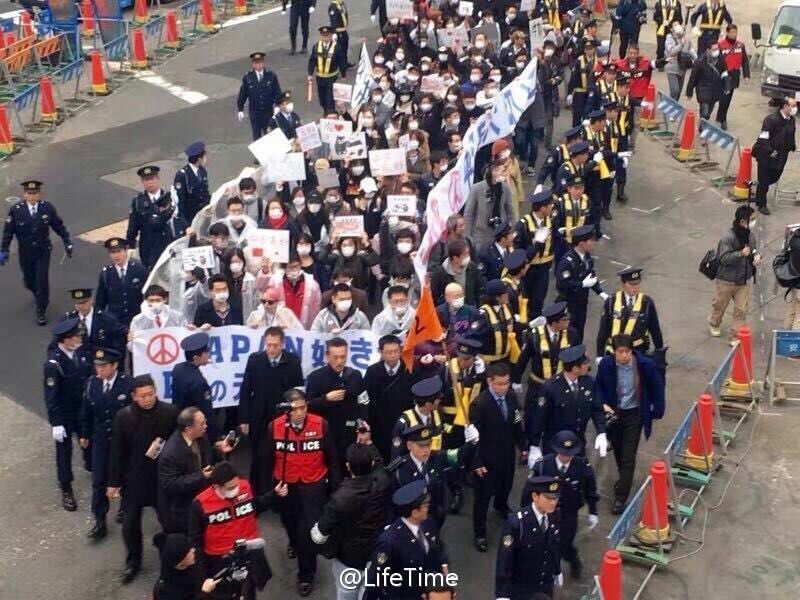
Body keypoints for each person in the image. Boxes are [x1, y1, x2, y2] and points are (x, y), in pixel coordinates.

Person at [263, 389, 341, 596]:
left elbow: (332, 459)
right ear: (285, 410)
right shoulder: (274, 427)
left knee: (306, 532)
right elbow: (267, 460)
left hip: (313, 485)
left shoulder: (321, 424)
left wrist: (336, 488)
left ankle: (306, 574)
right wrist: (269, 490)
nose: (299, 413)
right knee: (289, 522)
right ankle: (294, 542)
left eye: (303, 408)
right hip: (286, 485)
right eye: (295, 409)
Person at [107, 374, 179, 583]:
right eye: (142, 396)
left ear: (156, 392)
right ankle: (133, 562)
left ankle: (175, 559)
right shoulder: (124, 417)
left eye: (151, 394)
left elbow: (178, 443)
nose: (147, 399)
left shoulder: (170, 412)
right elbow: (117, 451)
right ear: (134, 396)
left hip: (161, 478)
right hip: (134, 479)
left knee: (169, 521)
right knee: (130, 524)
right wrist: (113, 482)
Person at [187, 462, 287, 600]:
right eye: (230, 487)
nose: (235, 489)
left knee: (248, 592)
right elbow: (195, 540)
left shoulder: (245, 487)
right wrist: (201, 575)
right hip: (220, 560)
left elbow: (255, 505)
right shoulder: (200, 504)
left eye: (236, 484)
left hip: (248, 553)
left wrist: (274, 494)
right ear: (216, 486)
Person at [595, 334, 665, 514]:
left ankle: (621, 497)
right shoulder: (606, 365)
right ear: (614, 352)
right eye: (621, 352)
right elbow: (598, 387)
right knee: (619, 451)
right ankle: (623, 480)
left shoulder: (644, 365)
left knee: (628, 456)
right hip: (615, 414)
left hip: (635, 414)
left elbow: (657, 386)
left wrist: (657, 410)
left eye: (627, 351)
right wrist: (603, 405)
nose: (625, 355)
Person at [311, 443, 391, 600]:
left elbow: (319, 536)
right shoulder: (382, 482)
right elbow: (380, 466)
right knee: (368, 594)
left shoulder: (339, 498)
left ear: (348, 466)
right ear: (372, 463)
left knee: (346, 593)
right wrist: (370, 444)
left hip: (348, 560)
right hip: (374, 555)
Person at [469, 362, 526, 552]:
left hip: (506, 454)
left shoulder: (511, 396)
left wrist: (523, 445)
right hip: (486, 459)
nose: (504, 387)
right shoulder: (480, 404)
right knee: (482, 498)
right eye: (499, 384)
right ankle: (479, 533)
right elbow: (473, 438)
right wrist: (476, 461)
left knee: (505, 485)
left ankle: (501, 506)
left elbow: (516, 420)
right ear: (489, 381)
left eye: (506, 383)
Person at [239, 326, 304, 490]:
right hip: (258, 416)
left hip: (282, 416)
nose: (272, 349)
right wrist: (244, 419)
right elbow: (245, 390)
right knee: (258, 456)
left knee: (280, 456)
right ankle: (257, 493)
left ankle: (278, 491)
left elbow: (298, 391)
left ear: (283, 344)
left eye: (275, 345)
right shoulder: (255, 360)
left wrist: (296, 414)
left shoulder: (293, 362)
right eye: (268, 345)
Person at [0, 179, 73, 325]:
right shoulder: (16, 210)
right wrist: (4, 250)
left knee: (41, 281)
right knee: (29, 281)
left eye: (35, 193)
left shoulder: (47, 208)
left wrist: (67, 242)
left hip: (42, 251)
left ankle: (41, 309)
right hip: (25, 252)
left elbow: (58, 226)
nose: (32, 196)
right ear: (24, 194)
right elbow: (8, 232)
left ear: (39, 194)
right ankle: (37, 292)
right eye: (29, 193)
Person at [528, 431, 599, 579]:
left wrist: (593, 511)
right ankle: (549, 570)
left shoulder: (582, 466)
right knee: (543, 543)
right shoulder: (543, 465)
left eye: (569, 454)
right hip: (547, 512)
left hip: (568, 513)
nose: (566, 457)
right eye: (563, 453)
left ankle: (573, 560)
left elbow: (590, 490)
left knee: (565, 545)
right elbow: (531, 491)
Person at [363, 480, 450, 600]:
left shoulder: (427, 522)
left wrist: (444, 567)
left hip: (427, 591)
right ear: (414, 512)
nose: (428, 508)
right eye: (425, 506)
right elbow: (375, 580)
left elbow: (437, 547)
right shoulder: (390, 542)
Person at [388, 422, 477, 533]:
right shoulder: (399, 469)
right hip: (412, 520)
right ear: (409, 445)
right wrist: (391, 525)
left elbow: (458, 456)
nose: (426, 450)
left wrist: (471, 443)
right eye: (421, 446)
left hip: (435, 516)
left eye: (428, 445)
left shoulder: (437, 458)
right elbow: (392, 502)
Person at [79, 348, 130, 540]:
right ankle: (100, 520)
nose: (99, 370)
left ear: (114, 365)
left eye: (103, 366)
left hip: (122, 440)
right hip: (100, 440)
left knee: (125, 476)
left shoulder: (127, 384)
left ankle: (125, 507)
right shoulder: (92, 383)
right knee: (99, 480)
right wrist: (84, 434)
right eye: (97, 366)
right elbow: (86, 411)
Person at [527, 345, 608, 467]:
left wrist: (601, 432)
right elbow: (539, 418)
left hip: (577, 445)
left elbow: (596, 409)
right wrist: (534, 446)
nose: (588, 365)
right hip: (555, 447)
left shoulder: (589, 383)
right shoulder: (550, 388)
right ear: (575, 368)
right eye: (584, 363)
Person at [45, 317, 92, 511]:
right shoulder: (54, 364)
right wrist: (56, 423)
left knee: (89, 440)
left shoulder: (80, 353)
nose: (79, 339)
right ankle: (66, 488)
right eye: (75, 337)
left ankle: (91, 463)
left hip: (82, 410)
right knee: (64, 453)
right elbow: (51, 396)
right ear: (65, 339)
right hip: (64, 414)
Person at [494, 476, 563, 599]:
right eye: (548, 498)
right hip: (522, 591)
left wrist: (557, 570)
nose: (553, 502)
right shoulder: (517, 523)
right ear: (535, 496)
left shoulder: (554, 516)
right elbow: (505, 559)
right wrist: (502, 593)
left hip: (545, 589)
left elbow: (554, 547)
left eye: (555, 498)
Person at [306, 337, 366, 469]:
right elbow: (308, 405)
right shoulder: (316, 377)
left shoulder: (355, 375)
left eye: (343, 357)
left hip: (349, 433)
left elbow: (364, 403)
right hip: (325, 434)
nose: (340, 361)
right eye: (335, 357)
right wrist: (326, 399)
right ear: (327, 356)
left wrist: (363, 427)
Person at [158, 407, 216, 534]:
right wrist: (201, 476)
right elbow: (170, 484)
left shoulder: (201, 437)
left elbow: (207, 458)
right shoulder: (171, 453)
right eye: (202, 424)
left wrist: (219, 450)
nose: (206, 426)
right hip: (181, 510)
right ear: (189, 429)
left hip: (201, 500)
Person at [708, 205, 761, 338]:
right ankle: (714, 323)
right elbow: (723, 258)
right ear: (742, 221)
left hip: (743, 280)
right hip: (726, 279)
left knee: (741, 309)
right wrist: (740, 254)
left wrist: (756, 256)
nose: (754, 222)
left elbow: (753, 250)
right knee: (720, 305)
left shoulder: (750, 236)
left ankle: (736, 334)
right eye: (751, 219)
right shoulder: (728, 237)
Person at [554, 224, 609, 342]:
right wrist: (582, 284)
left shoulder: (587, 257)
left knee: (579, 334)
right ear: (581, 244)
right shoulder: (567, 262)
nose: (594, 243)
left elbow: (591, 277)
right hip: (568, 305)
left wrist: (601, 293)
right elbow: (562, 285)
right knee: (568, 336)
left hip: (581, 303)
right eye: (591, 241)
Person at [364, 335, 413, 462]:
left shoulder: (409, 368)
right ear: (380, 352)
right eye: (388, 352)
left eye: (396, 351)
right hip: (380, 426)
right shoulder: (372, 371)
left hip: (404, 424)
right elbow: (366, 400)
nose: (393, 355)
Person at [596, 267, 664, 356]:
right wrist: (600, 355)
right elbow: (603, 330)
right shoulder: (612, 301)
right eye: (631, 284)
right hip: (615, 351)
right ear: (623, 284)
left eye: (637, 284)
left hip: (639, 351)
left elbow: (655, 329)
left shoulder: (646, 302)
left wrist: (660, 351)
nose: (635, 287)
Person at [171, 332, 220, 444]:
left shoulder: (178, 369)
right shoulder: (199, 382)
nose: (208, 355)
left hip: (181, 425)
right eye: (206, 352)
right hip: (195, 430)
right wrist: (214, 437)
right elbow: (206, 411)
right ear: (196, 357)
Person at [515, 190, 557, 319]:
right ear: (542, 208)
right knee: (523, 302)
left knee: (538, 302)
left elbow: (555, 243)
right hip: (527, 270)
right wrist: (537, 244)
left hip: (544, 269)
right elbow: (519, 253)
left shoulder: (551, 222)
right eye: (549, 205)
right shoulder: (523, 225)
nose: (552, 208)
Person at [125, 166, 175, 270]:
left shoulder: (170, 197)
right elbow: (133, 226)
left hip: (166, 243)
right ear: (142, 182)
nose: (149, 182)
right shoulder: (138, 201)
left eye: (152, 179)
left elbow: (179, 218)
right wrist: (130, 245)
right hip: (148, 246)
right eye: (146, 180)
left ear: (158, 179)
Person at [753, 97, 797, 215]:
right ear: (785, 106)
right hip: (766, 156)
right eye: (793, 106)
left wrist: (792, 146)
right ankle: (761, 204)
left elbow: (791, 134)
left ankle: (759, 193)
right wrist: (770, 151)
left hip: (781, 156)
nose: (795, 108)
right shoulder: (771, 120)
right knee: (764, 181)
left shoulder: (791, 120)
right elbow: (763, 139)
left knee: (775, 177)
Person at [463, 159, 517, 252]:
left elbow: (510, 210)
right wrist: (468, 237)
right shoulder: (477, 188)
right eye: (502, 171)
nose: (505, 174)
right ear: (493, 171)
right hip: (481, 234)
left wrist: (512, 228)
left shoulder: (505, 188)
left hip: (500, 232)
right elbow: (468, 214)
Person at [390, 377, 448, 460]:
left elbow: (444, 442)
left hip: (436, 464)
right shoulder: (404, 423)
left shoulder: (439, 415)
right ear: (428, 404)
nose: (439, 401)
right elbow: (397, 457)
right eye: (437, 399)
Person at [95, 237, 148, 327]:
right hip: (115, 324)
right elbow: (100, 303)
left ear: (126, 251)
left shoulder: (140, 270)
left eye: (119, 251)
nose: (116, 255)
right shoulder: (105, 274)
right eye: (113, 252)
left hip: (137, 321)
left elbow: (147, 296)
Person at [152, 532, 221, 600]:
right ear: (179, 562)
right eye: (188, 551)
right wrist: (204, 593)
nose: (193, 550)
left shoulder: (192, 564)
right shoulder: (165, 592)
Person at [62, 287, 126, 356]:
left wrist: (112, 358)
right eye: (77, 303)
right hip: (76, 360)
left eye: (83, 302)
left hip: (100, 359)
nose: (80, 306)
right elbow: (57, 343)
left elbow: (120, 338)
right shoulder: (68, 319)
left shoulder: (106, 319)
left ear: (91, 300)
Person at [237, 52, 283, 142]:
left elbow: (277, 92)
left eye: (260, 62)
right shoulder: (248, 77)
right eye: (256, 62)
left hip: (268, 112)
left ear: (263, 62)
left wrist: (278, 105)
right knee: (256, 137)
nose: (258, 65)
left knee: (270, 135)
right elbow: (243, 94)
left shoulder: (271, 76)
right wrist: (240, 109)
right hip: (255, 113)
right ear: (253, 64)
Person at [471, 280, 516, 366]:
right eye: (505, 293)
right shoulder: (482, 315)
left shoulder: (507, 308)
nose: (508, 295)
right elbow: (474, 337)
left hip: (505, 359)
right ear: (497, 298)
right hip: (489, 363)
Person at [430, 240, 485, 308]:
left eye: (468, 253)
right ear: (455, 258)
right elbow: (435, 297)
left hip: (469, 310)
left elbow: (479, 290)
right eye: (465, 254)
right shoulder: (440, 273)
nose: (468, 257)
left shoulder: (472, 268)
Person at [715, 24, 749, 130]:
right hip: (724, 74)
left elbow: (745, 61)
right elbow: (716, 60)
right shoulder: (721, 45)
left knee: (728, 99)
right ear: (727, 32)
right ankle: (722, 119)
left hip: (734, 75)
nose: (734, 34)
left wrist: (746, 75)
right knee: (724, 98)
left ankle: (721, 117)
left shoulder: (740, 45)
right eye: (732, 32)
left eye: (735, 32)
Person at [686, 41, 725, 130]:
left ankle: (702, 124)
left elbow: (724, 73)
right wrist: (689, 92)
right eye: (714, 49)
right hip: (703, 90)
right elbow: (693, 78)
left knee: (708, 113)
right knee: (705, 111)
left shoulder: (720, 60)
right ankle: (702, 129)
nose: (717, 51)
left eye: (717, 49)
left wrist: (726, 85)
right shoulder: (700, 62)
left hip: (715, 91)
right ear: (708, 50)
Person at [308, 26, 347, 113]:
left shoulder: (336, 47)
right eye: (323, 35)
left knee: (330, 99)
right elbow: (312, 61)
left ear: (330, 36)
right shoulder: (316, 46)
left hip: (331, 78)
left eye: (327, 35)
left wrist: (343, 75)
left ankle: (331, 114)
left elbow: (341, 62)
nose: (325, 37)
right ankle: (326, 112)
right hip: (320, 78)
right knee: (322, 99)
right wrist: (310, 74)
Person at [174, 141, 211, 224]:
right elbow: (180, 201)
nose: (206, 158)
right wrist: (184, 224)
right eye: (204, 156)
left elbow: (205, 192)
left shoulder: (202, 171)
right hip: (190, 218)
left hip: (203, 215)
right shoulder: (182, 175)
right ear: (199, 159)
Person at [664, 23, 695, 103]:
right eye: (675, 25)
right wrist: (681, 44)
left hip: (682, 68)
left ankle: (674, 106)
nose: (677, 26)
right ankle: (669, 107)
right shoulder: (669, 38)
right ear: (672, 29)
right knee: (675, 90)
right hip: (672, 68)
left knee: (678, 93)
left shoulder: (686, 39)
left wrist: (697, 60)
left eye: (678, 24)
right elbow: (671, 52)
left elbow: (691, 51)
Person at [653, 0, 683, 66]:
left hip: (672, 30)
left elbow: (680, 19)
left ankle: (672, 63)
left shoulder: (677, 3)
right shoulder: (659, 3)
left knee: (673, 47)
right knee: (661, 47)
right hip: (662, 29)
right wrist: (662, 21)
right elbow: (655, 17)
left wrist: (677, 24)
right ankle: (660, 63)